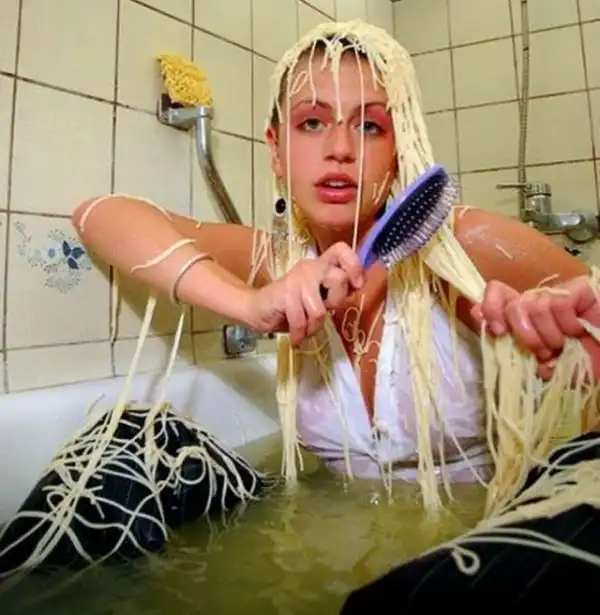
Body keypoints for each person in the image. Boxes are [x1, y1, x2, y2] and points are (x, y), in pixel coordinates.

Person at [71, 20, 594, 485]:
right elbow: (100, 215)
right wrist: (250, 305)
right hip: (332, 542)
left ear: (400, 149)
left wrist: (572, 354)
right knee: (122, 452)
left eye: (370, 126)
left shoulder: (460, 249)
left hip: (479, 541)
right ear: (276, 151)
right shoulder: (276, 262)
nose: (340, 149)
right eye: (312, 123)